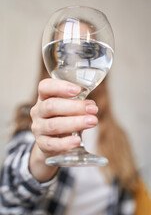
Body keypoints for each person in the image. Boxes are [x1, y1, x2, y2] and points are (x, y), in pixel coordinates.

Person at [0, 25, 151, 215]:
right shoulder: (34, 122)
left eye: (87, 50)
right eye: (67, 49)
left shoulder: (117, 136)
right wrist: (41, 155)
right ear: (50, 60)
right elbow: (8, 196)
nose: (77, 59)